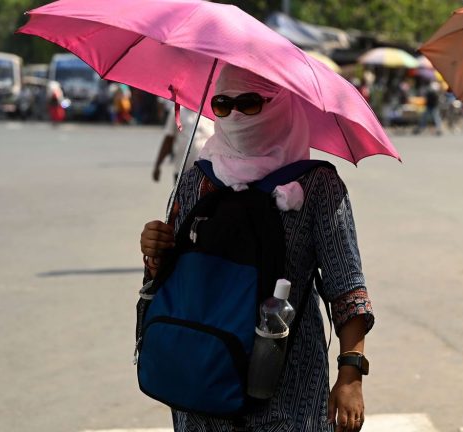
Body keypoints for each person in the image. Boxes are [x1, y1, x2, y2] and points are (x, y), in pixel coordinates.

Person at [140, 64, 373, 432]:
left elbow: (346, 286)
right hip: (202, 383)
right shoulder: (196, 179)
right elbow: (168, 280)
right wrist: (156, 251)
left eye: (248, 103)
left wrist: (351, 375)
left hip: (289, 389)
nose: (234, 115)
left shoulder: (317, 186)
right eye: (222, 104)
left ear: (281, 104)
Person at [152, 101, 215, 182]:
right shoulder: (177, 112)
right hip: (183, 171)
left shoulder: (211, 112)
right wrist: (158, 165)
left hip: (207, 172)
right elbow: (168, 140)